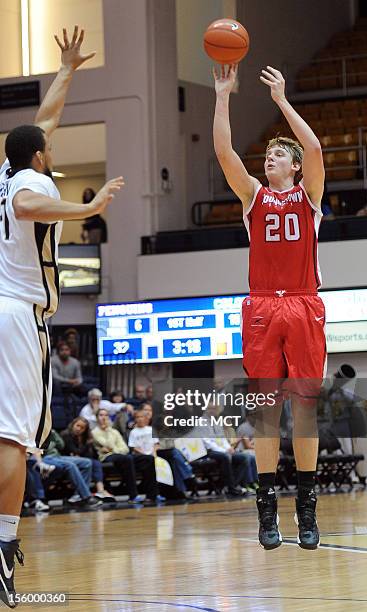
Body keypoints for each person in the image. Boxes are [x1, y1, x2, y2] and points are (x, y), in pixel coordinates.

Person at [0, 26, 124, 607]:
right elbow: (30, 201)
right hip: (17, 316)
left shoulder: (7, 168)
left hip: (4, 310)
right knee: (14, 439)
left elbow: (41, 120)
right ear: (41, 158)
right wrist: (88, 205)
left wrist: (68, 69)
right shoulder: (26, 180)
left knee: (12, 437)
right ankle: (2, 548)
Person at [213, 63, 326, 550]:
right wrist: (222, 95)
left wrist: (281, 101)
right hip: (262, 307)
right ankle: (267, 507)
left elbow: (316, 148)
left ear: (294, 166)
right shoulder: (253, 197)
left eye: (279, 155)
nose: (269, 160)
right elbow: (223, 152)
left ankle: (306, 504)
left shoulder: (310, 196)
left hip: (303, 304)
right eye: (269, 154)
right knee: (265, 412)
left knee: (304, 408)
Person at [92, 409, 162, 504]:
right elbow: (108, 444)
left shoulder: (115, 431)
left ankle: (152, 495)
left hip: (121, 456)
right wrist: (107, 430)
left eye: (106, 415)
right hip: (106, 457)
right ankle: (133, 496)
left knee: (148, 459)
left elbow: (124, 448)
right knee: (127, 458)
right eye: (101, 415)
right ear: (97, 418)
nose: (104, 418)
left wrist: (114, 449)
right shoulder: (94, 432)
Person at [61, 417, 115, 501]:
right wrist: (86, 445)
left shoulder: (86, 437)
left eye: (82, 428)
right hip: (66, 459)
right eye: (77, 425)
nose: (79, 429)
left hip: (83, 459)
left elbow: (90, 454)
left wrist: (83, 448)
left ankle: (100, 490)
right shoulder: (66, 434)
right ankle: (80, 494)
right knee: (88, 463)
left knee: (96, 463)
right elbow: (74, 451)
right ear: (73, 425)